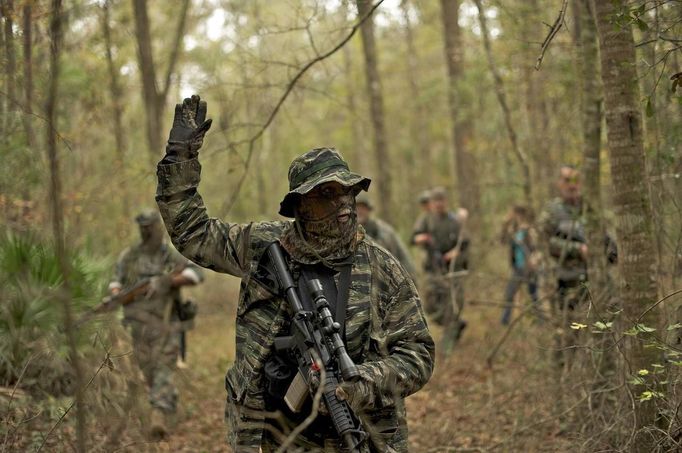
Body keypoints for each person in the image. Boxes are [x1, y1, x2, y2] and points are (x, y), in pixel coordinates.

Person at [155, 95, 434, 452]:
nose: (343, 203)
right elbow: (192, 232)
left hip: (361, 435)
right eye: (327, 193)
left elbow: (418, 354)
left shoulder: (383, 268)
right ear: (300, 204)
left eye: (348, 191)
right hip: (278, 435)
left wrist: (363, 381)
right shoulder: (262, 247)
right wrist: (180, 157)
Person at [108, 209, 204, 439]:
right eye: (144, 227)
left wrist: (167, 281)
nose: (147, 231)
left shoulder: (168, 255)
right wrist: (116, 293)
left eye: (151, 226)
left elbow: (195, 274)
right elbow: (115, 281)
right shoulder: (129, 256)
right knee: (148, 370)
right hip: (139, 326)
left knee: (163, 367)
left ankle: (158, 417)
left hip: (166, 323)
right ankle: (167, 402)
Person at [538, 165, 616, 366]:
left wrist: (609, 251)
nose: (572, 186)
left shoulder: (588, 208)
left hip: (596, 279)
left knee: (607, 328)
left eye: (575, 180)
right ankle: (562, 379)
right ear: (559, 183)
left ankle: (603, 373)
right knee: (568, 333)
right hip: (566, 281)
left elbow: (604, 237)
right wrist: (577, 249)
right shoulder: (552, 211)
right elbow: (544, 242)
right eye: (567, 181)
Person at [411, 187, 469, 338]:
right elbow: (414, 238)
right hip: (432, 268)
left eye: (441, 201)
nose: (438, 204)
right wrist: (422, 238)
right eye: (435, 201)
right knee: (430, 304)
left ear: (446, 202)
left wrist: (453, 253)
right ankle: (455, 324)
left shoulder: (454, 221)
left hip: (451, 270)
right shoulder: (426, 219)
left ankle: (450, 338)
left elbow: (464, 244)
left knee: (453, 305)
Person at [355, 193, 417, 279]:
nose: (360, 211)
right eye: (356, 207)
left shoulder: (385, 231)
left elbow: (402, 256)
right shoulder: (343, 233)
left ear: (369, 210)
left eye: (363, 208)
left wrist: (410, 278)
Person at [499, 205, 541, 325]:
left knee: (533, 295)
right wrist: (505, 224)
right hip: (518, 268)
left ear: (519, 214)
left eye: (512, 213)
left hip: (530, 268)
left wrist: (535, 261)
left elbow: (537, 248)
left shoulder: (530, 230)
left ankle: (540, 321)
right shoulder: (514, 231)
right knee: (510, 294)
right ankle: (504, 322)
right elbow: (502, 240)